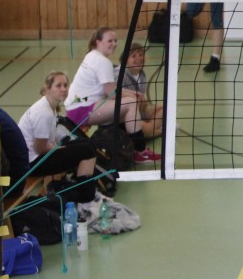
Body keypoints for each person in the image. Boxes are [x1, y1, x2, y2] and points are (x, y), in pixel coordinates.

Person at [64, 27, 160, 163]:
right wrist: (133, 97)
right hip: (82, 110)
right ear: (98, 42)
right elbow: (112, 94)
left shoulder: (92, 55)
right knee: (131, 104)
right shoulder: (102, 62)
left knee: (128, 105)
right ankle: (140, 152)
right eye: (109, 41)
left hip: (77, 105)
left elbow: (108, 90)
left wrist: (133, 93)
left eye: (115, 41)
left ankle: (124, 146)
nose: (114, 44)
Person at [18, 71, 99, 201]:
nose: (63, 89)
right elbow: (39, 148)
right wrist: (56, 147)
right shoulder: (43, 113)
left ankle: (80, 189)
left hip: (39, 155)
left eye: (65, 85)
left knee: (87, 144)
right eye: (58, 86)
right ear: (48, 89)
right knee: (87, 151)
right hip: (32, 163)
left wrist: (56, 146)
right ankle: (86, 197)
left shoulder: (51, 107)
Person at [121, 42, 164, 139]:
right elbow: (114, 93)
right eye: (133, 56)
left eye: (141, 55)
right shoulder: (120, 75)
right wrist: (136, 98)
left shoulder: (141, 75)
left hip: (140, 111)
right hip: (126, 117)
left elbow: (142, 100)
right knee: (142, 127)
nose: (138, 58)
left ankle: (151, 129)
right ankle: (157, 131)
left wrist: (143, 103)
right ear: (126, 60)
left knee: (164, 109)